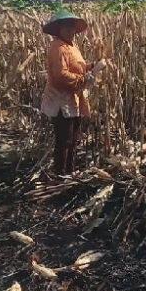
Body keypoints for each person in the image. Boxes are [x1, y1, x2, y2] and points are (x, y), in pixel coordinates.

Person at [40, 9, 102, 175]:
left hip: (73, 98)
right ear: (59, 29)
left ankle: (70, 171)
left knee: (73, 139)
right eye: (67, 28)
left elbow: (78, 67)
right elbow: (60, 75)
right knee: (64, 140)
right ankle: (60, 174)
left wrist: (92, 66)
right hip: (60, 101)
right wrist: (83, 80)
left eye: (72, 28)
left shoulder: (71, 46)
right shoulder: (57, 48)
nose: (71, 31)